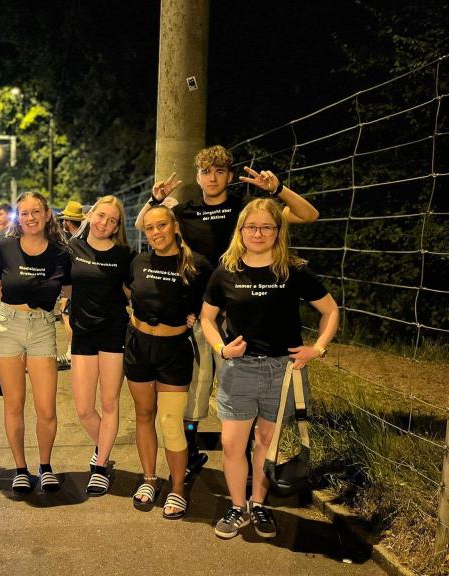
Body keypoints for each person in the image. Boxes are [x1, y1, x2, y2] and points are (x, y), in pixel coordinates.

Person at [134, 145, 319, 476]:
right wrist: (155, 199)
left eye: (220, 171)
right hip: (200, 312)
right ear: (197, 177)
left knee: (238, 386)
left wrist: (277, 189)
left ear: (230, 176)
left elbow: (309, 215)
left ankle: (247, 457)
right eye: (206, 172)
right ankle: (191, 450)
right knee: (197, 385)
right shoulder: (186, 212)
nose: (213, 178)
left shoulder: (246, 210)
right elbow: (142, 224)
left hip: (243, 312)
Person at [200, 198, 338, 540]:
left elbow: (330, 311)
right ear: (241, 230)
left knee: (265, 441)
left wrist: (318, 348)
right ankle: (238, 507)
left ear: (278, 231)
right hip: (239, 370)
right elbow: (207, 318)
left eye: (266, 227)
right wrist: (221, 349)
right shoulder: (226, 271)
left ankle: (259, 504)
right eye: (251, 227)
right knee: (232, 445)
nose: (258, 233)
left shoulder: (293, 270)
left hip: (283, 371)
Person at [126, 205, 212, 520]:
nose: (156, 232)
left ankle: (177, 488)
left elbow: (214, 302)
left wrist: (197, 315)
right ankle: (149, 479)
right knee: (144, 414)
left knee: (171, 421)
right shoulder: (138, 261)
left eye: (161, 225)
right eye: (150, 228)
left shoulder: (197, 264)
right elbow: (129, 291)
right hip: (138, 346)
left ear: (174, 226)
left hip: (174, 349)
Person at [0, 191, 71, 494]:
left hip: (42, 328)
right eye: (24, 213)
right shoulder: (4, 247)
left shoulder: (61, 253)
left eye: (36, 211)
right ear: (18, 218)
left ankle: (45, 467)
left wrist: (64, 315)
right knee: (14, 403)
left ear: (47, 215)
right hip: (8, 326)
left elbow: (70, 292)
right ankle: (20, 468)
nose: (30, 217)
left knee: (46, 408)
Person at [67, 196, 134, 495]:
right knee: (83, 408)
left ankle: (101, 465)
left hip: (113, 333)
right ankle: (103, 445)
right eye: (101, 216)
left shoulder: (124, 255)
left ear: (117, 227)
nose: (105, 223)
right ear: (90, 215)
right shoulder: (72, 248)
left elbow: (135, 291)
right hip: (83, 333)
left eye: (112, 221)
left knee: (109, 404)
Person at [56, 200, 85, 370]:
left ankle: (71, 352)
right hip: (79, 288)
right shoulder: (83, 238)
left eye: (64, 220)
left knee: (67, 315)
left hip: (76, 289)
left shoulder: (75, 242)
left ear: (68, 221)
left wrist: (66, 296)